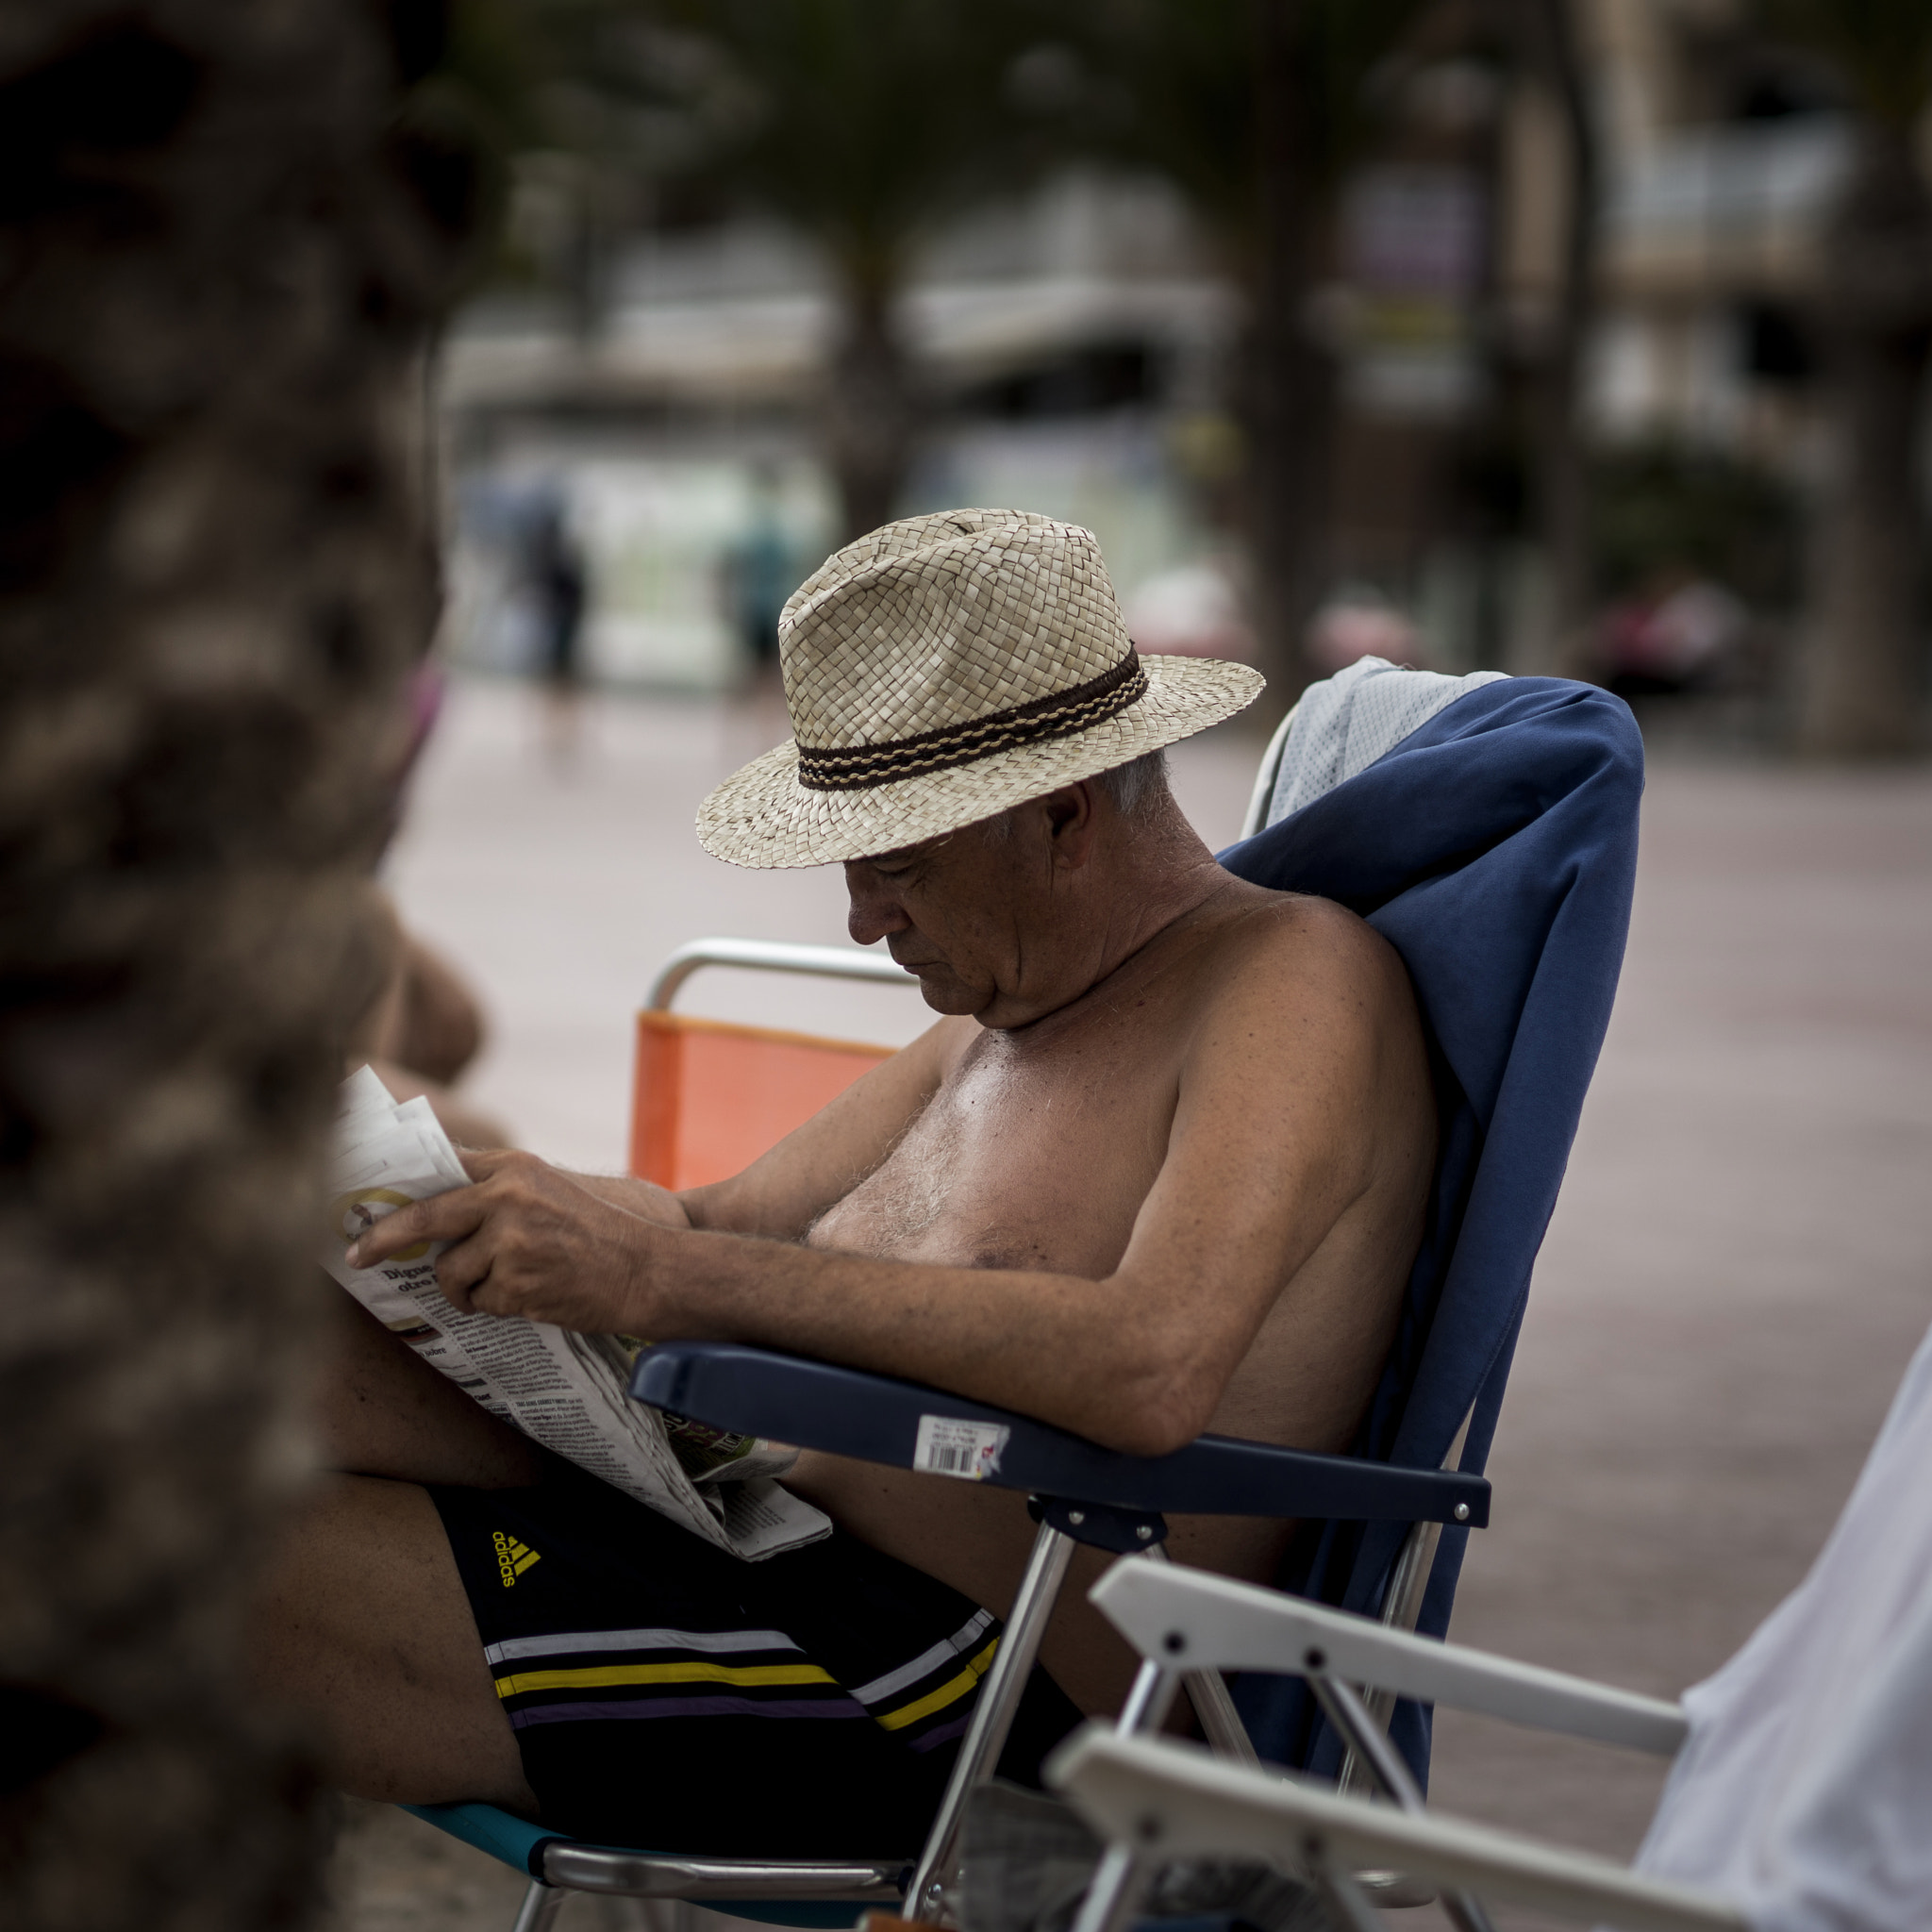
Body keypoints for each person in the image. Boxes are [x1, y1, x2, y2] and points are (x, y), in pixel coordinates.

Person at [251, 508, 1438, 1858]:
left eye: (901, 862)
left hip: (959, 1692)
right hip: (767, 1562)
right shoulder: (1002, 1019)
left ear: (1059, 818)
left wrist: (661, 1273)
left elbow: (1153, 1367)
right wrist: (485, 1193)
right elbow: (706, 1222)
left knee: (160, 1568)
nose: (865, 920)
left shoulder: (1290, 984)